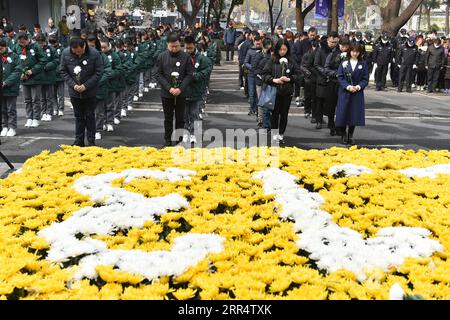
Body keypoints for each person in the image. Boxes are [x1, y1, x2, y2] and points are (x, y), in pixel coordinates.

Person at [60, 36, 103, 147]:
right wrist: (73, 85)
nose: (78, 54)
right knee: (78, 116)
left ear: (84, 46)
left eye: (80, 51)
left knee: (90, 115)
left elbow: (98, 72)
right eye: (75, 52)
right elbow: (63, 71)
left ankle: (91, 140)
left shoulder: (94, 54)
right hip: (74, 92)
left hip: (90, 91)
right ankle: (78, 140)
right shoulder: (66, 53)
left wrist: (86, 85)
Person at [155, 32, 194, 147]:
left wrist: (180, 89)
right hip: (167, 93)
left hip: (181, 93)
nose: (174, 48)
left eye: (176, 46)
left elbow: (189, 74)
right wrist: (169, 88)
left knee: (180, 118)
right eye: (172, 46)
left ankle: (179, 141)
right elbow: (158, 74)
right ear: (167, 45)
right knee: (168, 118)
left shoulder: (185, 57)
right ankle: (167, 140)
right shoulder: (162, 56)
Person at [262, 39, 299, 144]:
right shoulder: (272, 60)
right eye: (280, 49)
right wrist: (274, 80)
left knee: (284, 114)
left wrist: (290, 79)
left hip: (287, 92)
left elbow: (298, 74)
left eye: (284, 49)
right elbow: (264, 74)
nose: (282, 52)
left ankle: (281, 134)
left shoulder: (291, 61)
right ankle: (274, 134)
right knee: (274, 114)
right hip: (274, 91)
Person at [336, 44, 368, 145]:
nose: (355, 53)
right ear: (350, 51)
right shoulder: (344, 63)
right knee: (343, 113)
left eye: (357, 52)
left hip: (357, 93)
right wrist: (348, 86)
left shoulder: (363, 64)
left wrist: (358, 87)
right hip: (345, 92)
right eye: (353, 51)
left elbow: (365, 79)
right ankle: (343, 135)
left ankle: (350, 135)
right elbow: (340, 77)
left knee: (353, 114)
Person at [183, 36, 210, 144]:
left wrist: (196, 76)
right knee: (184, 115)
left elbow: (207, 71)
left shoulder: (202, 58)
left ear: (194, 45)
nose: (188, 50)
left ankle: (195, 134)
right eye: (187, 48)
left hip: (196, 90)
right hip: (184, 90)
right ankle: (185, 132)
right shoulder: (182, 57)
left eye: (190, 48)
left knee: (195, 114)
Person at [17, 32, 47, 128]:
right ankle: (29, 117)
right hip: (24, 78)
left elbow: (43, 60)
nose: (21, 45)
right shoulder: (18, 47)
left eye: (22, 43)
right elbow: (16, 61)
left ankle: (36, 118)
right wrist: (20, 72)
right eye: (19, 43)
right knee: (27, 100)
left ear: (27, 40)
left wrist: (32, 70)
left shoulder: (36, 46)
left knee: (35, 99)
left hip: (35, 77)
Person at [324, 37, 351, 136]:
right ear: (339, 45)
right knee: (331, 106)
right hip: (333, 83)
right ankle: (331, 125)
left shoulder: (350, 56)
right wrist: (336, 74)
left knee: (343, 107)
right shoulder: (333, 54)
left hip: (345, 85)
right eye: (342, 46)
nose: (344, 48)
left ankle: (340, 127)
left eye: (346, 46)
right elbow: (326, 69)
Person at [314, 33, 339, 129]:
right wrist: (325, 72)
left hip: (333, 80)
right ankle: (319, 121)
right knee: (320, 101)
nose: (333, 44)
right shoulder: (320, 50)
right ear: (328, 40)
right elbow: (316, 64)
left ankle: (331, 122)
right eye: (331, 42)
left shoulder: (338, 51)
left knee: (332, 103)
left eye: (335, 42)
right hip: (322, 79)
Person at [0, 39, 21, 137]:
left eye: (1, 48)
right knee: (2, 109)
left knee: (11, 108)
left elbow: (17, 71)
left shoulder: (14, 56)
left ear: (5, 47)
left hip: (11, 87)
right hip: (1, 88)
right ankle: (4, 126)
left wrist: (7, 82)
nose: (0, 50)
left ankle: (12, 127)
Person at [36, 34, 57, 122]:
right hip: (40, 76)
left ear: (45, 41)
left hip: (49, 76)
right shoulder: (36, 49)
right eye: (39, 43)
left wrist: (47, 66)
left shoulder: (51, 49)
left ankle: (49, 113)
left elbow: (56, 61)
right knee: (42, 97)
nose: (41, 44)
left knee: (49, 96)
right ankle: (43, 112)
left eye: (42, 42)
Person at [254, 38, 273, 128]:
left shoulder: (271, 56)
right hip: (260, 81)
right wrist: (260, 76)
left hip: (268, 81)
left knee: (267, 101)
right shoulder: (258, 55)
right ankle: (260, 119)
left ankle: (266, 119)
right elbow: (254, 68)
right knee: (261, 101)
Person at [300, 39, 319, 121]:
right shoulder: (307, 54)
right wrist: (309, 74)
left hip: (316, 78)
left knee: (315, 97)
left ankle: (314, 113)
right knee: (308, 96)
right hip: (308, 78)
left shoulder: (318, 54)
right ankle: (307, 110)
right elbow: (302, 66)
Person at [244, 34, 262, 117]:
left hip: (259, 75)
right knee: (251, 93)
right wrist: (252, 67)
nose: (258, 45)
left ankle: (258, 109)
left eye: (259, 43)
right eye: (257, 43)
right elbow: (246, 62)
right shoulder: (250, 51)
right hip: (251, 74)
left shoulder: (262, 51)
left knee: (259, 94)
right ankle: (252, 108)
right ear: (254, 42)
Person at [49, 34, 65, 116]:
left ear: (57, 41)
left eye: (54, 43)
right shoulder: (49, 49)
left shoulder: (62, 49)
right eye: (51, 43)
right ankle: (55, 108)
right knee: (53, 94)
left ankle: (61, 109)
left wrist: (59, 69)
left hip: (60, 75)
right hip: (52, 75)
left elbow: (63, 61)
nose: (53, 45)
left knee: (61, 94)